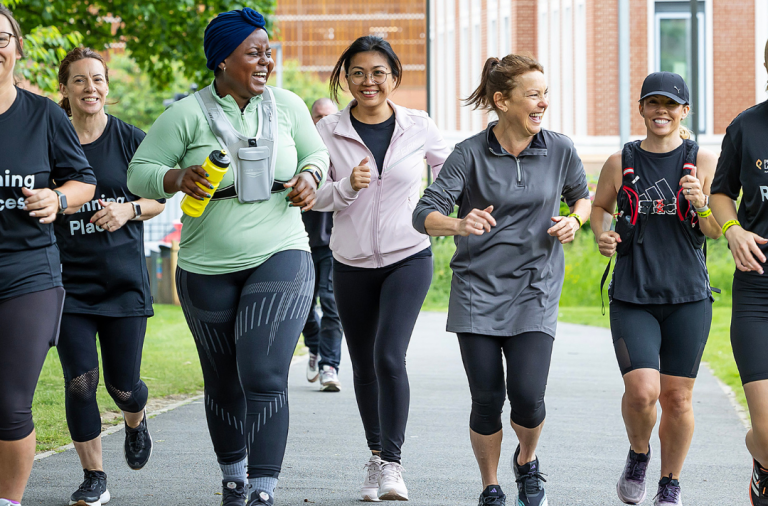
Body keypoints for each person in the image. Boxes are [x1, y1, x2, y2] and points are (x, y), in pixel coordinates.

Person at [127, 8, 328, 506]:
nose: (266, 60)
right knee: (221, 381)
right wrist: (177, 178)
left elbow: (316, 153)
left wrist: (310, 177)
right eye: (253, 52)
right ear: (222, 60)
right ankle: (234, 478)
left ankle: (262, 490)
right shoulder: (186, 114)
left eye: (268, 51)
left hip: (280, 249)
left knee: (261, 373)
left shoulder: (287, 105)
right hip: (204, 266)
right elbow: (139, 172)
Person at [413, 54, 591, 506]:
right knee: (487, 399)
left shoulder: (560, 148)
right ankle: (491, 486)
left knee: (528, 398)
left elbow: (582, 197)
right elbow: (423, 212)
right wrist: (458, 224)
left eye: (545, 94)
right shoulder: (469, 153)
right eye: (534, 94)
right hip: (477, 292)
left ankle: (527, 461)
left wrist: (575, 220)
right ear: (502, 100)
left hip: (535, 288)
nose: (543, 103)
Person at [313, 35, 451, 501]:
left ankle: (392, 464)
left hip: (408, 256)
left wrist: (441, 210)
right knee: (363, 364)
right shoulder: (328, 131)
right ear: (345, 78)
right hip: (349, 263)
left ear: (394, 77)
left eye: (378, 73)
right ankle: (375, 459)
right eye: (358, 73)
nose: (368, 81)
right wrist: (346, 187)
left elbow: (453, 173)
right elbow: (313, 196)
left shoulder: (419, 125)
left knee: (389, 355)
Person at [591, 72, 720, 506]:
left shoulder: (701, 160)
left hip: (688, 297)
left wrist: (702, 202)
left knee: (678, 399)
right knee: (643, 392)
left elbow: (715, 231)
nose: (661, 111)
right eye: (653, 103)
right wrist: (601, 236)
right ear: (642, 108)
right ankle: (639, 455)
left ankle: (670, 482)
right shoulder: (620, 161)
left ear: (684, 111)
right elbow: (600, 208)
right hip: (632, 294)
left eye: (671, 104)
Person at [53, 47, 166, 506]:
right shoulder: (51, 137)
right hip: (66, 283)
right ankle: (94, 476)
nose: (90, 88)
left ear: (107, 86)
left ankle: (135, 420)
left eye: (97, 80)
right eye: (79, 80)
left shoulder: (131, 140)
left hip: (122, 282)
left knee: (124, 385)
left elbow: (161, 198)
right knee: (80, 381)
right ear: (64, 89)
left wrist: (128, 210)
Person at [0, 6, 97, 506]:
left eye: (1, 38)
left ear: (16, 47)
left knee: (10, 401)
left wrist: (57, 198)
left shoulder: (42, 115)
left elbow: (84, 181)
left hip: (28, 272)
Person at [710, 40, 768, 506]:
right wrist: (732, 229)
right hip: (758, 289)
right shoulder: (747, 126)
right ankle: (761, 457)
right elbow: (720, 193)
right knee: (767, 433)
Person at [302, 97, 344, 392]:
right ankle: (314, 346)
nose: (323, 121)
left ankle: (329, 365)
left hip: (333, 244)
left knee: (331, 304)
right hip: (300, 242)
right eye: (318, 116)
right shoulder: (300, 150)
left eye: (328, 116)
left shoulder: (343, 151)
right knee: (302, 306)